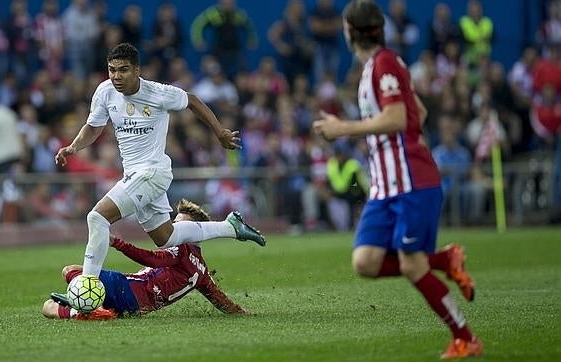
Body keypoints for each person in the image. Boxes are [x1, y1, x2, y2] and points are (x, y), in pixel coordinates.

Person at [312, 1, 482, 359]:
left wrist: (344, 128)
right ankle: (446, 259)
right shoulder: (378, 67)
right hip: (385, 186)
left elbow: (399, 118)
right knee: (365, 262)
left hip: (410, 182)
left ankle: (465, 337)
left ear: (349, 31)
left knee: (411, 265)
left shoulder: (384, 63)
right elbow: (418, 111)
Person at [54, 43, 265, 283]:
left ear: (137, 70)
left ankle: (87, 287)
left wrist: (219, 132)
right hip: (134, 174)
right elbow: (94, 127)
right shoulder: (105, 91)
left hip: (153, 172)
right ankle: (231, 227)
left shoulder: (157, 93)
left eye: (123, 70)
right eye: (112, 70)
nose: (116, 76)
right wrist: (73, 147)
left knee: (97, 217)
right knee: (166, 238)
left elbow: (193, 100)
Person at [42, 199, 247, 320]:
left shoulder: (182, 250)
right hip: (136, 308)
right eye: (174, 222)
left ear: (196, 232)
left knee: (69, 271)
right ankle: (89, 310)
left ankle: (87, 310)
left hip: (128, 290)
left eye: (180, 224)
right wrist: (243, 313)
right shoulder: (201, 271)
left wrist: (118, 243)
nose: (174, 228)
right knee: (48, 306)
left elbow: (153, 259)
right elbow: (220, 300)